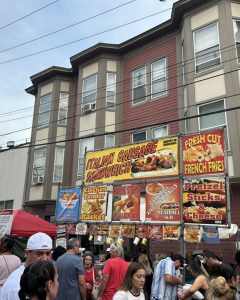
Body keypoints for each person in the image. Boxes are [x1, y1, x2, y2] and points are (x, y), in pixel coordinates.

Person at [1, 232, 53, 300]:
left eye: (48, 253)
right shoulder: (16, 286)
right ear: (27, 253)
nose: (44, 259)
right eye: (39, 254)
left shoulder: (42, 274)